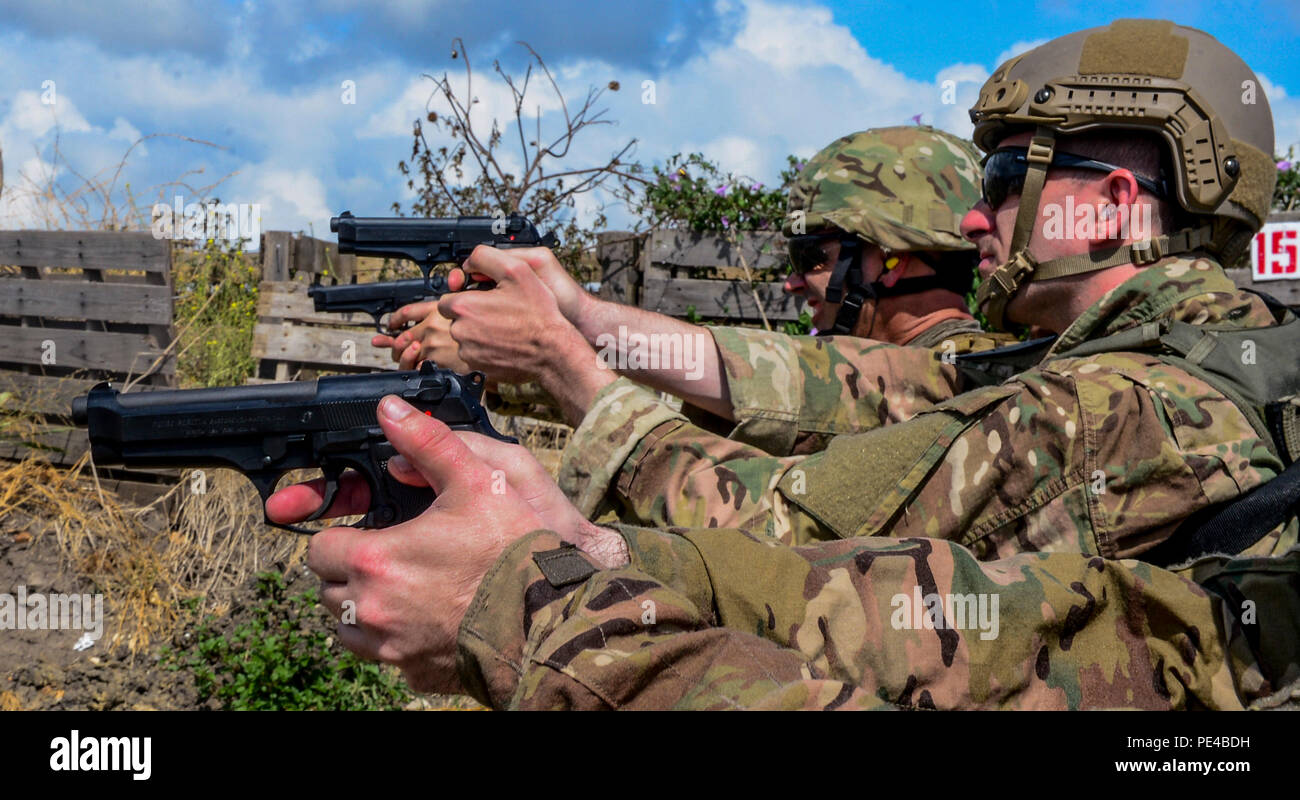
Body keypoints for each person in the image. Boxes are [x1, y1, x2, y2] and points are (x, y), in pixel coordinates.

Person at [269, 20, 1300, 709]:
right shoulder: (1142, 359)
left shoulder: (1123, 407)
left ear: (1114, 204)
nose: (978, 214)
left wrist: (539, 554)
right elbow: (841, 387)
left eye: (1005, 174)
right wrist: (580, 317)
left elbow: (799, 530)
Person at [373, 127, 1015, 457]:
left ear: (893, 259)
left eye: (811, 255)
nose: (793, 280)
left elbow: (772, 384)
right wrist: (494, 360)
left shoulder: (969, 385)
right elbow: (697, 404)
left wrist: (565, 325)